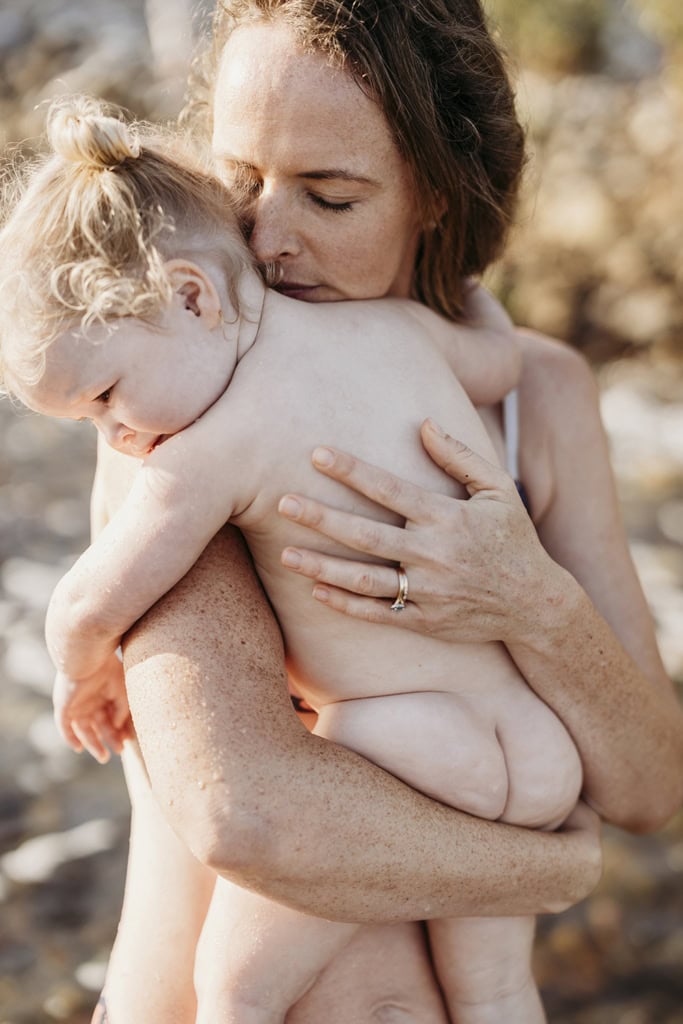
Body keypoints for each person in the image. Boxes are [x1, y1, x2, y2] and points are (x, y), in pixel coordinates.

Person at [10, 2, 683, 1021]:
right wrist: (542, 873)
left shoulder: (535, 396)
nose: (268, 240)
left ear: (434, 194)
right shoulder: (175, 417)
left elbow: (648, 783)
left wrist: (527, 601)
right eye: (239, 183)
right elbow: (248, 813)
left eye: (328, 197)